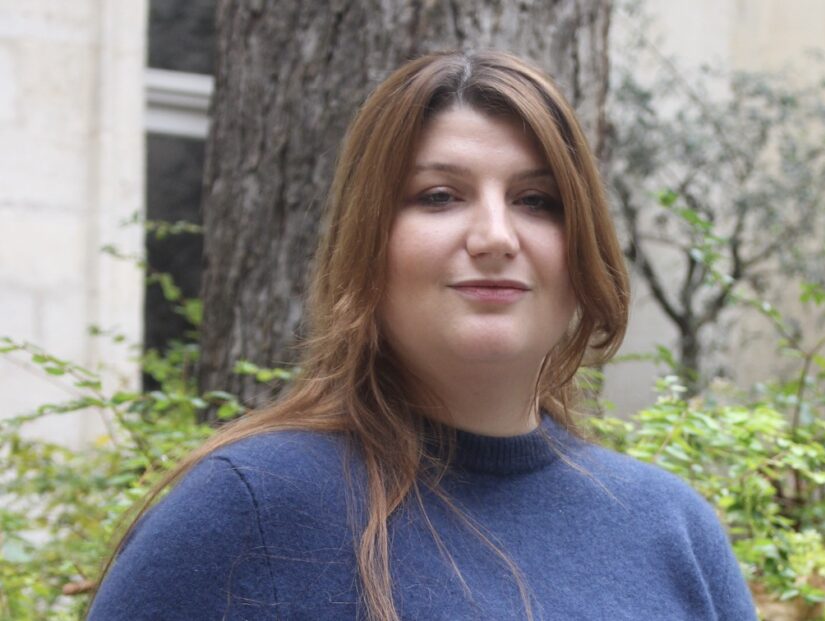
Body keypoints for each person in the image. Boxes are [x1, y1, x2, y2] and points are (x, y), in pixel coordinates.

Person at [87, 50, 757, 621]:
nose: (495, 236)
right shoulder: (248, 510)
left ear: (581, 248)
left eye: (536, 201)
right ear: (369, 240)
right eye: (439, 196)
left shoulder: (674, 529)